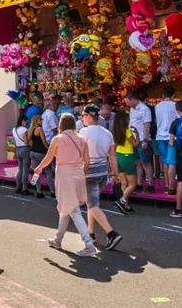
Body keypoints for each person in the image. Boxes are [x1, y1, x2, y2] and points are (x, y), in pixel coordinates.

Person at [33, 113, 97, 257]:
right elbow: (87, 162)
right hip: (78, 173)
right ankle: (58, 239)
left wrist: (39, 168)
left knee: (73, 210)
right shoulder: (82, 139)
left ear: (61, 124)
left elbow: (49, 158)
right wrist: (81, 172)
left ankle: (89, 243)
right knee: (66, 208)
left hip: (64, 174)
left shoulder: (58, 139)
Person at [78, 104, 122, 250]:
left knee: (92, 205)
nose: (82, 118)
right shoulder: (107, 133)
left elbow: (80, 154)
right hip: (103, 172)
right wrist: (115, 173)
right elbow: (113, 156)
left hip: (89, 172)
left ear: (90, 116)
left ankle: (111, 233)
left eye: (83, 115)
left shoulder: (83, 132)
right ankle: (91, 234)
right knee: (93, 203)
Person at [125, 91, 154, 193]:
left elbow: (147, 125)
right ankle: (139, 184)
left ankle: (150, 184)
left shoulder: (144, 109)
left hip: (142, 138)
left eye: (128, 102)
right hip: (134, 139)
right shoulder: (132, 109)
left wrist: (145, 140)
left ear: (133, 99)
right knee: (137, 162)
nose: (127, 105)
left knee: (145, 162)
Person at [111, 110, 138, 214]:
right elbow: (135, 144)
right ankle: (122, 200)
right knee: (132, 184)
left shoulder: (115, 132)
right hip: (128, 156)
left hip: (119, 156)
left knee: (124, 183)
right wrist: (137, 134)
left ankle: (126, 205)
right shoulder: (127, 132)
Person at [154, 87, 179, 195]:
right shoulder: (175, 106)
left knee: (165, 161)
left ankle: (167, 185)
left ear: (163, 95)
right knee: (172, 162)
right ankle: (172, 187)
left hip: (160, 136)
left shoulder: (157, 106)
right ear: (173, 95)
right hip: (172, 136)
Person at [27, 115, 54, 198]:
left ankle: (38, 191)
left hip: (33, 152)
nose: (42, 120)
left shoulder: (31, 130)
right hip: (41, 153)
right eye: (40, 119)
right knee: (48, 172)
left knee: (36, 172)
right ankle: (52, 191)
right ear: (37, 120)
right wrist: (49, 149)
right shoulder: (39, 129)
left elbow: (29, 142)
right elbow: (44, 142)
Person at [13, 115, 31, 195]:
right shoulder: (24, 130)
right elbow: (26, 141)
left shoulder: (14, 129)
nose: (27, 122)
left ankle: (18, 186)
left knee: (20, 169)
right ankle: (24, 188)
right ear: (22, 121)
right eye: (26, 121)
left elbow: (14, 142)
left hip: (18, 149)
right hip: (25, 149)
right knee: (25, 170)